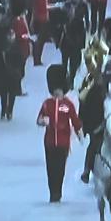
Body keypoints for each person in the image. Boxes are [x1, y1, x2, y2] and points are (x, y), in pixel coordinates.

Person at [37, 65, 83, 203]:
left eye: (58, 89)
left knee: (60, 168)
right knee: (50, 168)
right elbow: (39, 119)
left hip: (63, 142)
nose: (56, 92)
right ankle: (53, 193)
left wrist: (80, 133)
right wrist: (42, 121)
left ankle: (58, 191)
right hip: (49, 142)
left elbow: (75, 120)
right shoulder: (47, 104)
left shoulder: (68, 104)